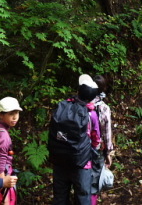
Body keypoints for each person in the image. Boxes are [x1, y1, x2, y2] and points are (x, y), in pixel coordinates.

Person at [52, 74, 101, 205]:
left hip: (59, 160)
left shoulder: (63, 107)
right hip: (82, 162)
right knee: (83, 196)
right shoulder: (91, 114)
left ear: (78, 91)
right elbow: (96, 139)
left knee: (60, 197)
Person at [0, 97, 22, 205]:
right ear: (0, 115)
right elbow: (0, 164)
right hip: (1, 181)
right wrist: (2, 190)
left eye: (16, 112)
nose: (15, 117)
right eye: (10, 113)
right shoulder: (3, 136)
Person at [91, 75, 114, 205]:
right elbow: (107, 133)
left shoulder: (80, 104)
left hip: (78, 148)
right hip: (96, 149)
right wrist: (108, 152)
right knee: (94, 182)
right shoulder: (103, 108)